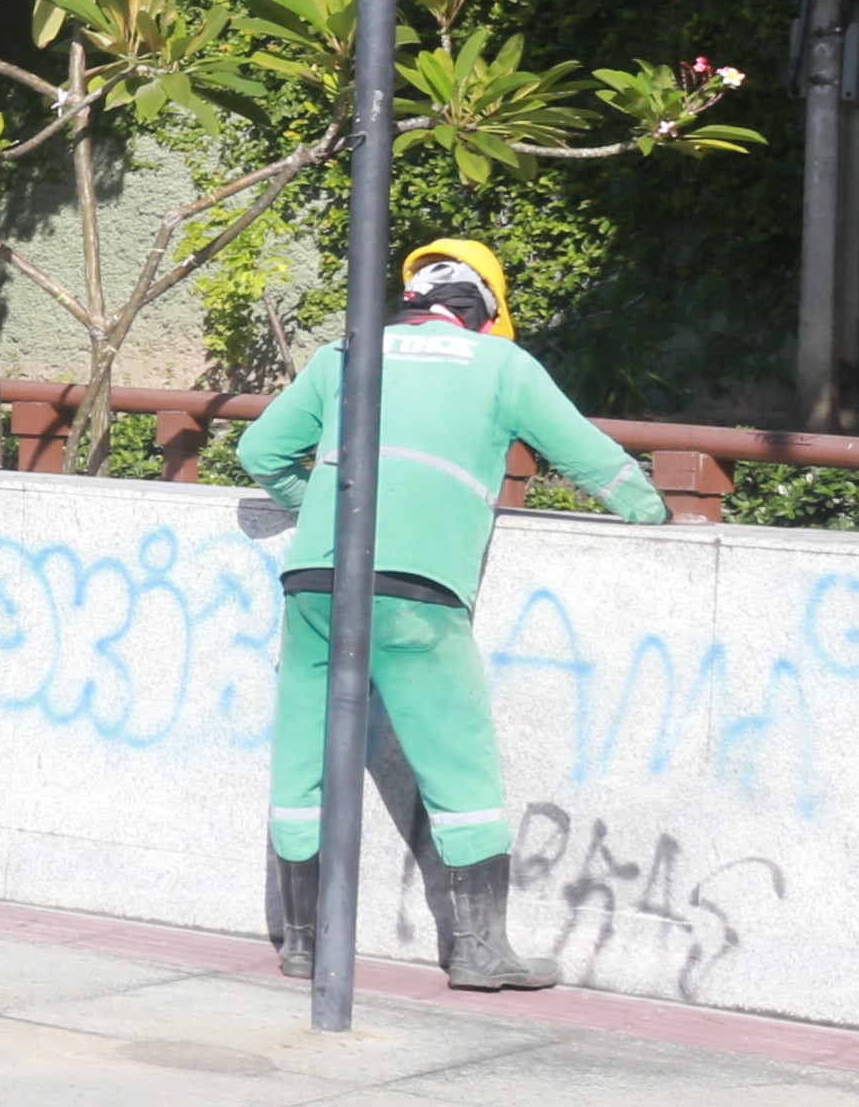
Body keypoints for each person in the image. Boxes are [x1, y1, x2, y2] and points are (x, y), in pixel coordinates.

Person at [234, 237, 666, 990]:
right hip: (417, 589)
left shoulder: (346, 353)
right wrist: (649, 509)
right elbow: (591, 459)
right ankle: (478, 951)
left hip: (314, 581)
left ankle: (301, 944)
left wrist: (329, 512)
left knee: (302, 759)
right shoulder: (503, 365)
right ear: (486, 311)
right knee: (458, 767)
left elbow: (261, 449)